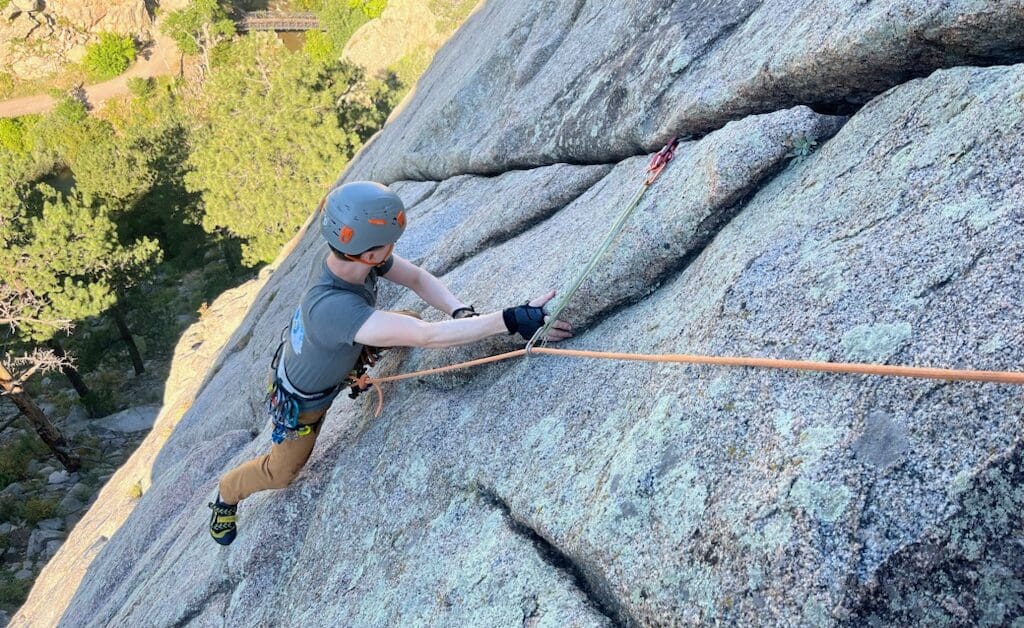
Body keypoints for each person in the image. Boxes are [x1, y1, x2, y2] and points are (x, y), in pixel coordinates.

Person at [208, 181, 573, 545]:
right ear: (367, 254)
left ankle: (358, 360)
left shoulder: (349, 261)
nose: (393, 248)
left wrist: (460, 311)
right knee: (282, 472)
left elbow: (415, 278)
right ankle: (227, 492)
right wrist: (509, 319)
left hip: (333, 351)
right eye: (389, 244)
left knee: (407, 318)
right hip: (304, 403)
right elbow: (426, 336)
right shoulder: (333, 305)